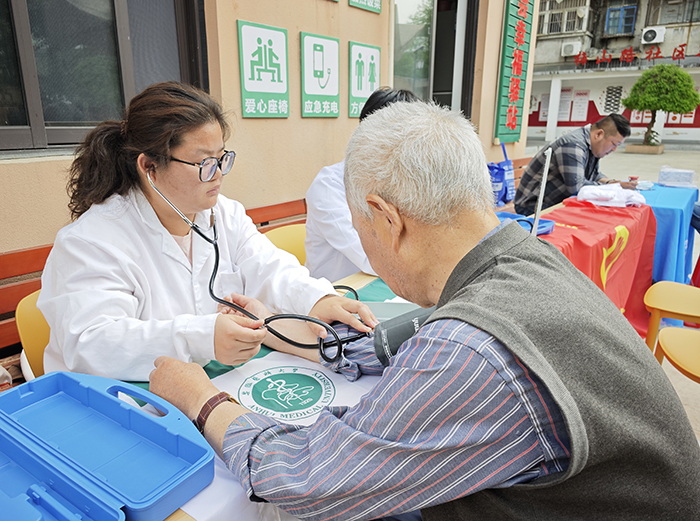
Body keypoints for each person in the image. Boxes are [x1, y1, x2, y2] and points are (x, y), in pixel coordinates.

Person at [150, 102, 700, 520]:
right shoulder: (522, 261)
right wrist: (278, 331)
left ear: (387, 220)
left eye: (362, 230)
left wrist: (202, 398)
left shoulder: (472, 352)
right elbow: (406, 345)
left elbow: (306, 476)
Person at [38, 81, 376, 382]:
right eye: (204, 163)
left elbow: (268, 265)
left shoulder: (222, 214)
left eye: (222, 159)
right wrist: (200, 337)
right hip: (116, 403)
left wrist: (316, 298)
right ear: (149, 166)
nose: (218, 175)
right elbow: (93, 343)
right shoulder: (91, 242)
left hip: (207, 381)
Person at [305, 87, 420, 281]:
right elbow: (369, 258)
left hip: (385, 284)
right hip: (339, 291)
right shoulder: (329, 187)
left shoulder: (402, 180)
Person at [514, 113, 637, 215]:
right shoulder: (573, 145)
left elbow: (594, 175)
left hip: (552, 201)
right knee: (592, 219)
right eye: (614, 144)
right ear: (599, 134)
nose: (614, 149)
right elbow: (577, 187)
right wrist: (610, 187)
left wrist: (613, 183)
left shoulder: (591, 147)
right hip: (532, 206)